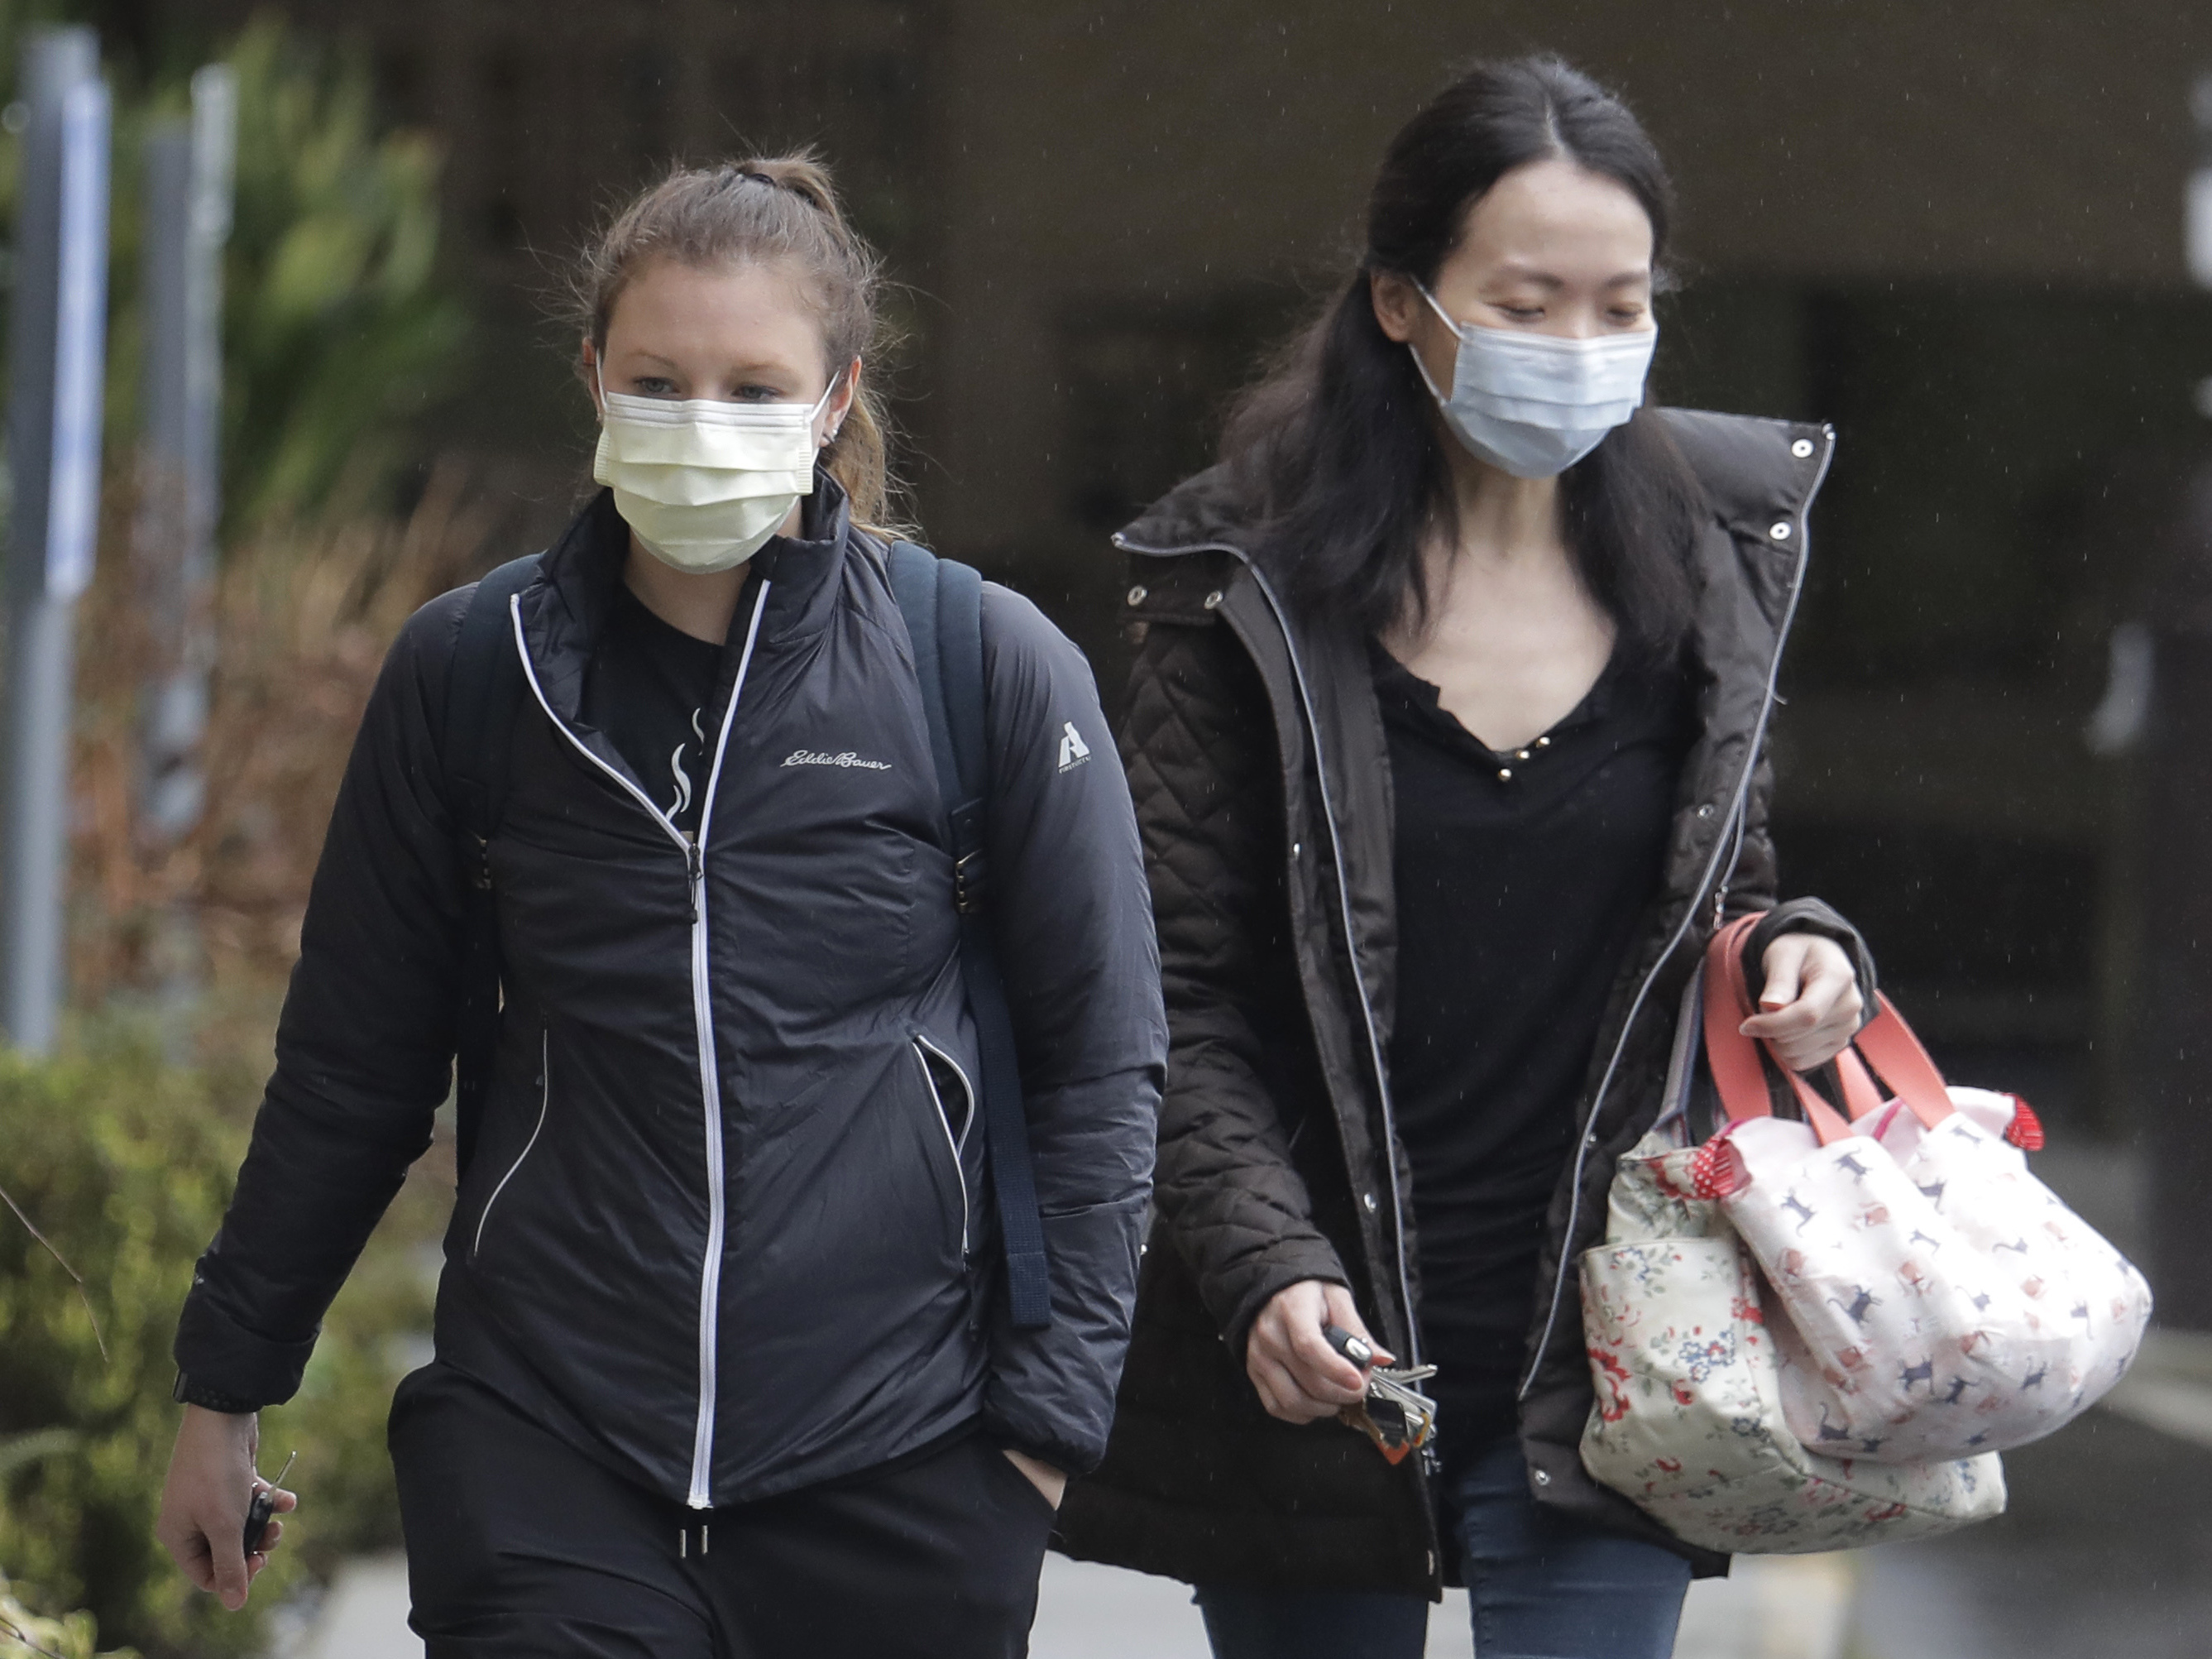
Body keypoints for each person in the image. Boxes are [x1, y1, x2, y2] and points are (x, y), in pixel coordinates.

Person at [155, 155, 1165, 1659]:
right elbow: (355, 1067)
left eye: (757, 386)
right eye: (659, 377)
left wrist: (1042, 1440)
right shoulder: (470, 674)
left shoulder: (982, 666)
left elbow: (1104, 1061)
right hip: (550, 1447)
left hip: (899, 1463)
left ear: (835, 398)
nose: (706, 425)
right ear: (593, 379)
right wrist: (225, 1388)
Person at [1055, 58, 1878, 1659]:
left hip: (1616, 1329)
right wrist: (1261, 1264)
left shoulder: (1708, 562)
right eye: (1528, 300)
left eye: (1618, 302)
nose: (1580, 348)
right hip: (1319, 1332)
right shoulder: (1239, 589)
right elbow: (1172, 989)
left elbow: (1723, 886)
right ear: (1396, 302)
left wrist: (1806, 949)